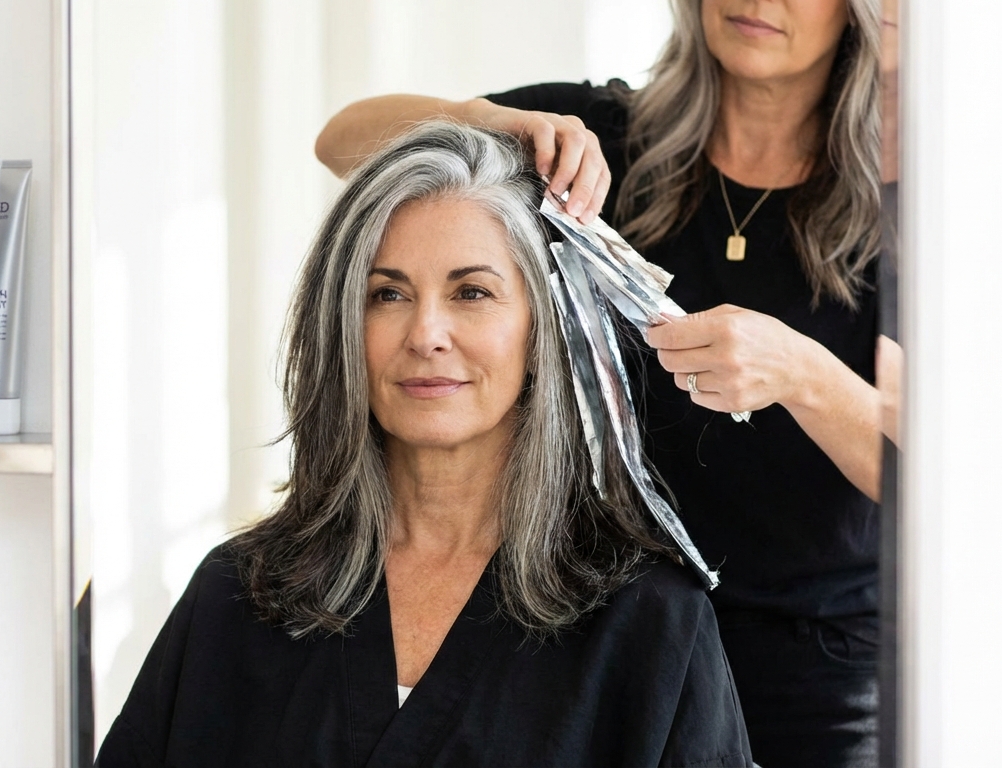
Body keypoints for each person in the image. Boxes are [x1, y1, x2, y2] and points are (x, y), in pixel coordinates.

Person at [315, 1, 891, 766]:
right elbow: (341, 142)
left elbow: (933, 477)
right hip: (601, 648)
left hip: (807, 681)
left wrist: (802, 372)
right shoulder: (597, 143)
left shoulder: (898, 215)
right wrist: (485, 122)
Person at [96, 123, 751, 767]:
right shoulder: (234, 596)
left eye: (472, 292)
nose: (427, 332)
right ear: (345, 327)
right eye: (388, 294)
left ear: (542, 330)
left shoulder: (650, 624)